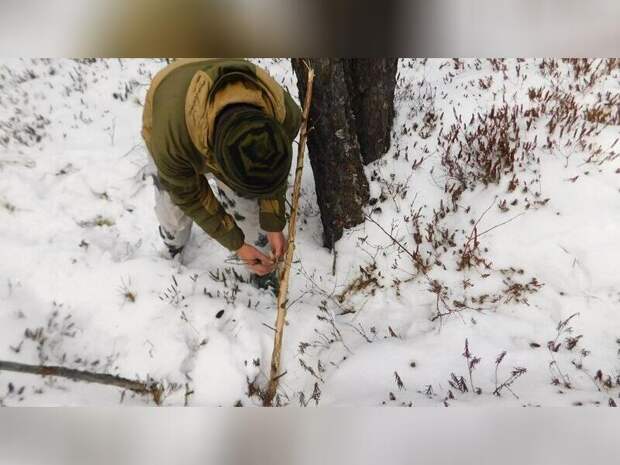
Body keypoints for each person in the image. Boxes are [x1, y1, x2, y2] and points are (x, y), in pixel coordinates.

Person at [141, 59, 302, 276]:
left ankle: (260, 256)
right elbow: (191, 196)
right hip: (173, 106)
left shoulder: (284, 114)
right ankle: (173, 243)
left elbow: (271, 169)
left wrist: (273, 221)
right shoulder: (171, 143)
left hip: (212, 86)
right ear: (218, 168)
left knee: (248, 208)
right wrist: (237, 245)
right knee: (173, 214)